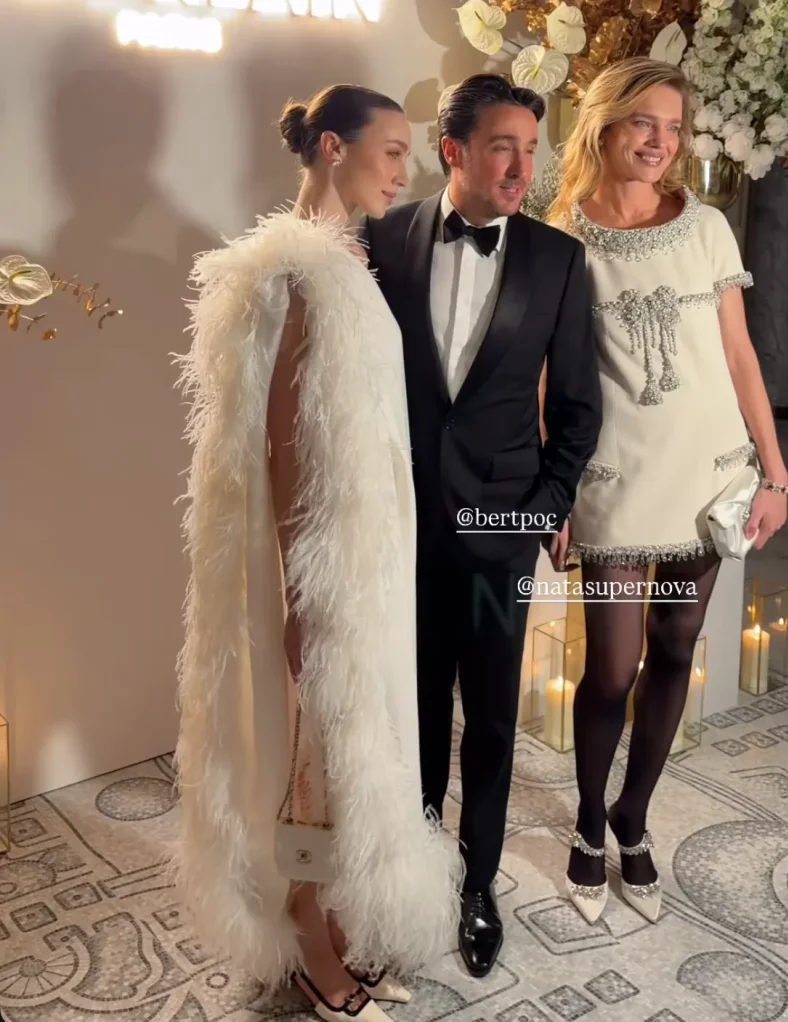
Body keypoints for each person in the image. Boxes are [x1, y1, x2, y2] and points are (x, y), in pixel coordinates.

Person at [171, 84, 463, 1022]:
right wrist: (304, 588)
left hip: (366, 551)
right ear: (333, 148)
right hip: (324, 559)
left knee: (349, 744)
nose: (407, 170)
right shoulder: (292, 270)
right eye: (392, 151)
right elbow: (284, 441)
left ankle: (330, 911)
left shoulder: (342, 262)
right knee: (316, 744)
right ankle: (304, 929)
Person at [361, 73, 602, 977]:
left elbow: (578, 409)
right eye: (504, 147)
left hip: (501, 532)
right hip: (401, 524)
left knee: (493, 718)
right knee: (416, 709)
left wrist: (541, 512)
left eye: (531, 151)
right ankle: (419, 875)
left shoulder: (558, 260)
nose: (521, 169)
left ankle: (477, 885)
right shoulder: (382, 238)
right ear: (452, 151)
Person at [546, 57, 788, 925]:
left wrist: (774, 471)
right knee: (611, 668)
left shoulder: (707, 227)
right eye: (644, 123)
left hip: (707, 475)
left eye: (674, 127)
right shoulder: (562, 236)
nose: (660, 142)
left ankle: (632, 818)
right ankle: (586, 821)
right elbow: (548, 374)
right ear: (604, 124)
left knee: (677, 647)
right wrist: (554, 490)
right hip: (614, 481)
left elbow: (739, 356)